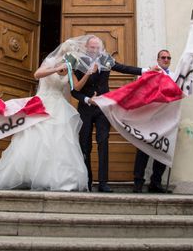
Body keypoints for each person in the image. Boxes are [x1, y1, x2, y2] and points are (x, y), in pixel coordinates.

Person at [0, 38, 92, 191]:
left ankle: (57, 178)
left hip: (60, 105)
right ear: (64, 52)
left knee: (60, 140)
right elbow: (37, 74)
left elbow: (76, 87)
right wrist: (56, 69)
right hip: (44, 103)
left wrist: (87, 74)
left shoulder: (69, 66)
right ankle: (26, 176)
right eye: (70, 54)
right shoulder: (51, 60)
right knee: (35, 138)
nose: (72, 57)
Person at [70, 35, 156, 192]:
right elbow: (74, 91)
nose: (95, 50)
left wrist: (146, 70)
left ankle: (103, 183)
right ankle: (87, 181)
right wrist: (88, 100)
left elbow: (124, 68)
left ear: (101, 48)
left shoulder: (105, 60)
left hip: (103, 108)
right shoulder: (77, 62)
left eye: (97, 48)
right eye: (92, 47)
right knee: (85, 145)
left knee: (103, 143)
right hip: (85, 109)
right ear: (86, 47)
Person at [132, 49, 174, 193]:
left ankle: (155, 183)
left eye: (168, 58)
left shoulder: (174, 76)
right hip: (148, 118)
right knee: (143, 150)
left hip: (165, 119)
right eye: (163, 57)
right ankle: (138, 182)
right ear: (157, 59)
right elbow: (138, 90)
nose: (166, 60)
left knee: (162, 150)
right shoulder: (149, 73)